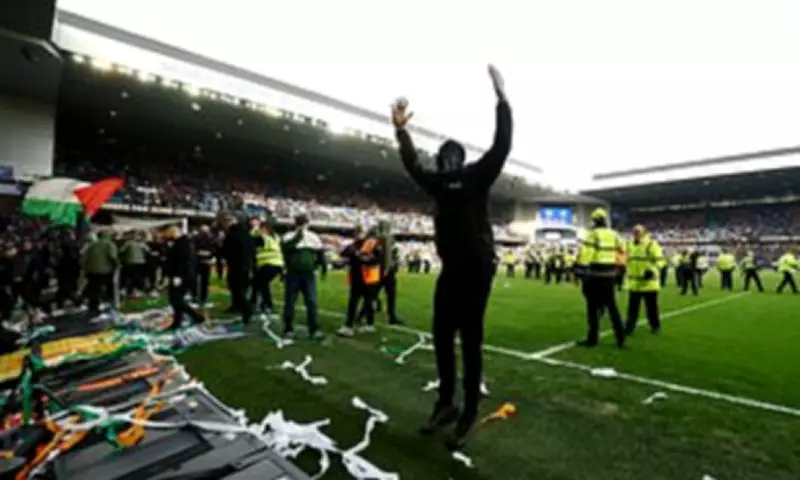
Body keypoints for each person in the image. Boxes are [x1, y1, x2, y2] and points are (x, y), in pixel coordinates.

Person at [391, 64, 512, 451]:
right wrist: (401, 130)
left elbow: (502, 146)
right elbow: (412, 165)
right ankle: (445, 403)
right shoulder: (440, 184)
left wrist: (503, 100)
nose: (445, 161)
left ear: (459, 159)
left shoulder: (476, 176)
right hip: (452, 268)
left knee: (470, 338)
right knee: (442, 334)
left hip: (478, 266)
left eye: (450, 156)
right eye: (442, 156)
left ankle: (469, 411)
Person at [576, 208, 626, 348]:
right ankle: (620, 338)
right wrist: (620, 267)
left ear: (595, 221)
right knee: (612, 307)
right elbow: (622, 250)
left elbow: (587, 253)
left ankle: (593, 339)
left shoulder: (593, 234)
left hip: (595, 274)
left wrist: (580, 268)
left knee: (592, 308)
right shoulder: (614, 234)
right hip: (610, 274)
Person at [281, 213, 327, 340]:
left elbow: (320, 254)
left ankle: (313, 329)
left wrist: (322, 267)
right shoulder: (289, 236)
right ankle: (289, 328)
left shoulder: (313, 237)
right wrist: (300, 234)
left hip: (307, 274)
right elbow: (286, 248)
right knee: (292, 301)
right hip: (294, 273)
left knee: (310, 302)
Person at [337, 225, 381, 336]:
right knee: (357, 302)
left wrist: (357, 255)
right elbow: (344, 254)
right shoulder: (354, 245)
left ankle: (361, 325)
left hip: (368, 278)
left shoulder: (371, 243)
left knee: (366, 302)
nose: (357, 236)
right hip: (359, 277)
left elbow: (372, 260)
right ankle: (354, 325)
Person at [162, 226, 205, 330]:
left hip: (181, 275)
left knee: (176, 299)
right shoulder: (181, 242)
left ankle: (195, 316)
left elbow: (184, 261)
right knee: (175, 299)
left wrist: (179, 276)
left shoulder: (184, 243)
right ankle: (179, 321)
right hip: (179, 274)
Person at [624, 225, 664, 335]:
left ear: (644, 232)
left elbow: (660, 261)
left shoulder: (651, 244)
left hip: (649, 283)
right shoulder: (629, 244)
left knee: (652, 308)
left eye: (638, 231)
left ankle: (655, 326)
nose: (636, 233)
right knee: (632, 309)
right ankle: (629, 327)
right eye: (634, 231)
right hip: (634, 283)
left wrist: (652, 271)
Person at [221, 212, 254, 324]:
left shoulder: (231, 235)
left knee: (237, 290)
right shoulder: (247, 235)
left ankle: (247, 310)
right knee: (241, 289)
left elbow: (225, 251)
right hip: (246, 266)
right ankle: (237, 307)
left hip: (236, 265)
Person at [251, 218, 285, 317]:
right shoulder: (275, 237)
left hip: (268, 264)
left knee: (259, 284)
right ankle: (264, 305)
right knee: (262, 284)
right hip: (277, 265)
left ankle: (266, 306)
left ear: (265, 228)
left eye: (262, 228)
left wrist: (255, 227)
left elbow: (252, 236)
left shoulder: (263, 237)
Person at [82, 231, 118, 314]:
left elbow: (84, 258)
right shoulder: (109, 244)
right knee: (107, 288)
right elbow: (112, 257)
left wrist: (86, 269)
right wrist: (116, 265)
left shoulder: (90, 245)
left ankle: (93, 306)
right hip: (105, 270)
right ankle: (109, 305)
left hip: (92, 270)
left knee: (93, 289)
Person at [194, 224, 217, 306]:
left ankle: (199, 297)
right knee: (202, 281)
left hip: (202, 261)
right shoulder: (210, 238)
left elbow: (215, 249)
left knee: (201, 281)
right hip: (202, 261)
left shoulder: (209, 239)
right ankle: (200, 297)